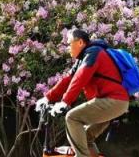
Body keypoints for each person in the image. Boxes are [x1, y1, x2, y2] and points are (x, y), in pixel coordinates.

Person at [35, 29, 129, 157]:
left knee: (72, 118)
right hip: (112, 103)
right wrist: (47, 98)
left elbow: (80, 78)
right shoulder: (82, 58)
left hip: (113, 101)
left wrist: (65, 102)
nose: (67, 47)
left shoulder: (93, 52)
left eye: (69, 43)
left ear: (80, 42)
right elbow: (68, 79)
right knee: (85, 138)